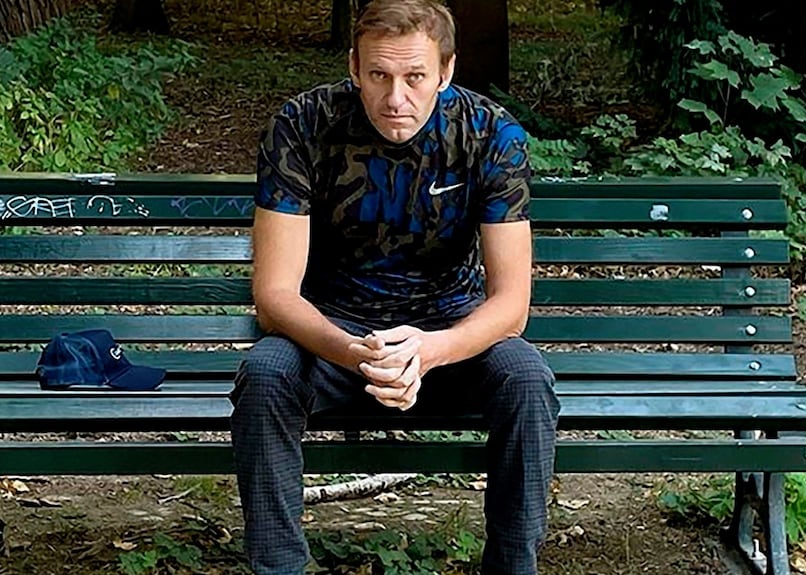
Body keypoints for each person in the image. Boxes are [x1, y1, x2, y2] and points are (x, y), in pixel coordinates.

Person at [228, 1, 560, 573]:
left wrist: (429, 352)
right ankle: (278, 567)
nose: (395, 98)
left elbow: (511, 306)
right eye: (379, 75)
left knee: (528, 378)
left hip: (449, 334)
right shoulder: (302, 124)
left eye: (415, 77)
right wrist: (361, 355)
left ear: (446, 71)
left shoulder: (490, 134)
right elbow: (276, 296)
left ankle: (512, 566)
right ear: (354, 66)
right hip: (332, 336)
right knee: (263, 375)